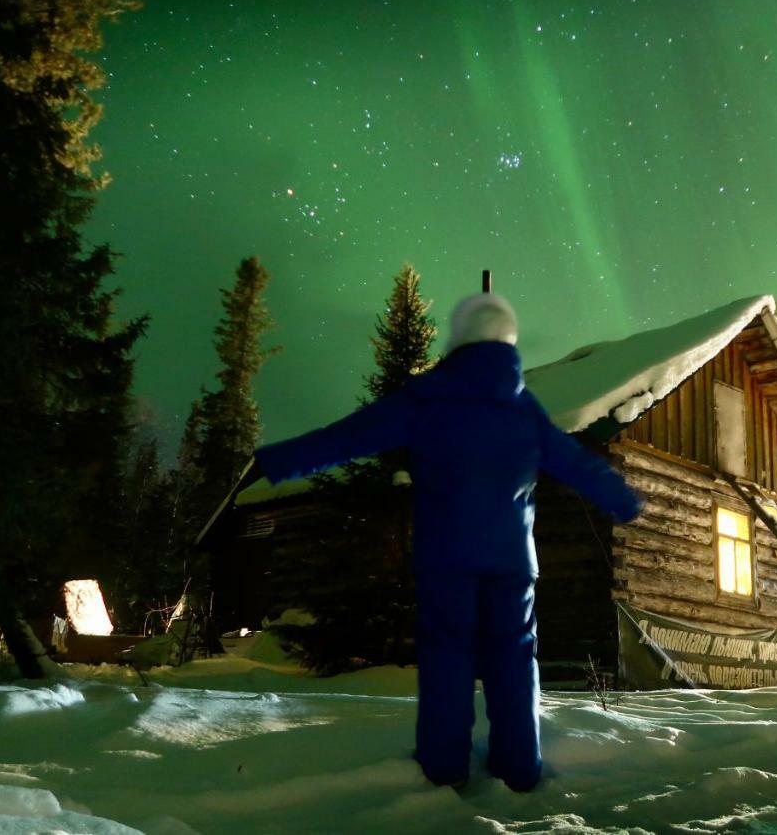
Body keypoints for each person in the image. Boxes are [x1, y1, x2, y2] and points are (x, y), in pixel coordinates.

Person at [253, 291, 643, 791]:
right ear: (509, 341)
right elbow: (578, 462)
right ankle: (520, 769)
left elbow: (347, 436)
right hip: (511, 561)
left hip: (447, 554)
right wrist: (624, 500)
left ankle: (443, 771)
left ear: (459, 336)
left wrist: (278, 461)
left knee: (447, 657)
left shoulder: (429, 397)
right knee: (515, 660)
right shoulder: (524, 409)